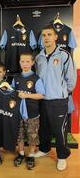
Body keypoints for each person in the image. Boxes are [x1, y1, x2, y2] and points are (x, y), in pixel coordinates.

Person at [35, 25, 77, 171]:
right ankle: (45, 148)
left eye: (49, 35)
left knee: (60, 130)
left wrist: (61, 92)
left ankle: (62, 156)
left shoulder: (64, 55)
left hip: (59, 100)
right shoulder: (38, 57)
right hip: (43, 100)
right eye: (44, 35)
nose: (46, 37)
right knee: (44, 128)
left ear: (55, 37)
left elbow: (71, 79)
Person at [12, 52, 45, 170]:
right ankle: (21, 153)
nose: (25, 64)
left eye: (27, 61)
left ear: (32, 63)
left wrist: (26, 95)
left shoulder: (36, 79)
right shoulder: (16, 78)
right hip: (18, 113)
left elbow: (41, 95)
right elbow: (12, 94)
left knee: (32, 135)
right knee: (19, 135)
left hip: (32, 113)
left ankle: (31, 155)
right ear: (19, 63)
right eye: (22, 61)